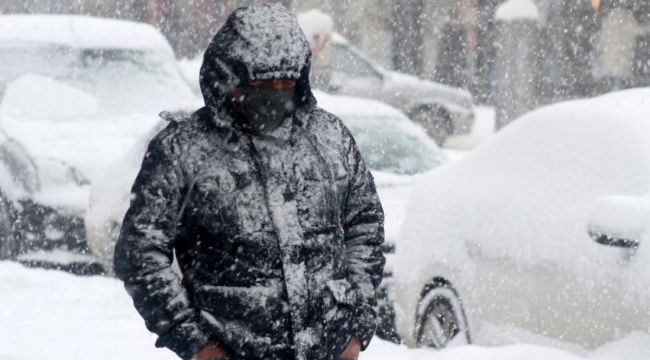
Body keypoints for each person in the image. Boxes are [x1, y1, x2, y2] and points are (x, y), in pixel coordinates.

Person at [113, 4, 385, 360]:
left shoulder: (329, 137)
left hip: (327, 349)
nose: (276, 93)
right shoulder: (184, 149)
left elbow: (365, 226)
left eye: (286, 83)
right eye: (263, 84)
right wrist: (194, 342)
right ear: (229, 77)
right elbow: (140, 253)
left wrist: (357, 325)